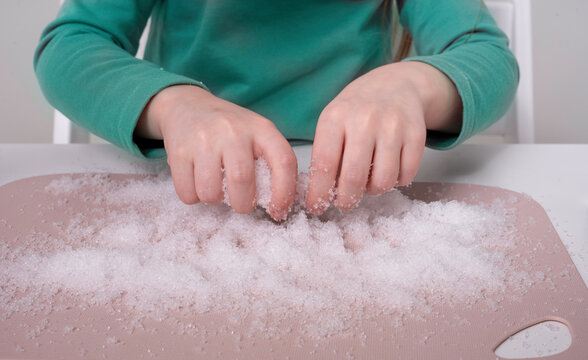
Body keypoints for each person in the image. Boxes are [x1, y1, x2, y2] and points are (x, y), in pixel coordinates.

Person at [34, 0, 518, 220]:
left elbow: (486, 56)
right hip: (185, 197)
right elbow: (70, 45)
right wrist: (173, 106)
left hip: (361, 202)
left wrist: (415, 85)